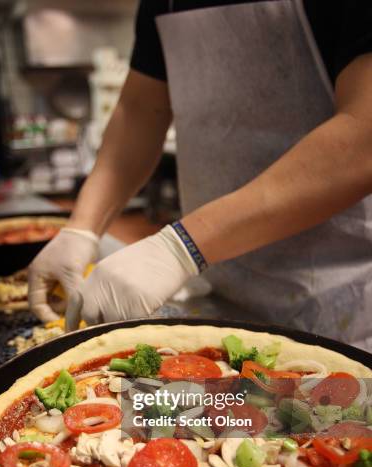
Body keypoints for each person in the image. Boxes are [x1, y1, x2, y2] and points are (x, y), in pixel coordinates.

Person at [28, 0, 372, 350]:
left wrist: (181, 247)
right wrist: (82, 228)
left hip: (340, 306)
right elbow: (139, 111)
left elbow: (364, 137)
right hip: (218, 288)